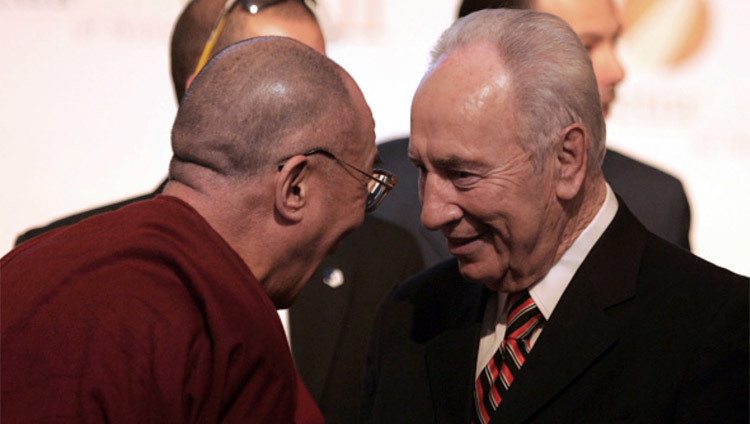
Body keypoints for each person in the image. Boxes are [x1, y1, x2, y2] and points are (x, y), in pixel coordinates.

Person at [13, 2, 424, 422]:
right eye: (365, 174)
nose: (362, 209)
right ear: (295, 184)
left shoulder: (28, 269)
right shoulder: (229, 332)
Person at [361, 10, 748, 423]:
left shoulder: (717, 327)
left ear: (567, 159)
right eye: (423, 170)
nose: (431, 213)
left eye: (463, 174)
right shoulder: (409, 317)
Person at [374, 0, 691, 268]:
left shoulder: (656, 203)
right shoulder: (376, 187)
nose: (616, 70)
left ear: (570, 156)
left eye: (615, 42)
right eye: (585, 48)